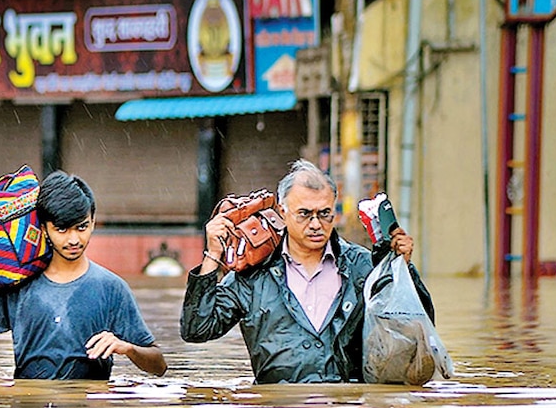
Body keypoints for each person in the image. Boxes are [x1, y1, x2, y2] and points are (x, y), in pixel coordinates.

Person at [180, 159, 434, 384]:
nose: (315, 224)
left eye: (324, 214)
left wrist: (403, 268)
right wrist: (213, 255)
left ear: (334, 211)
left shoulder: (363, 266)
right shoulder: (253, 275)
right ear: (283, 212)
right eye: (304, 214)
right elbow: (197, 330)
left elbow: (418, 327)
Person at [0, 170, 166, 380]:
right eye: (61, 229)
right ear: (43, 228)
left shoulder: (111, 288)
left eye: (81, 227)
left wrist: (126, 348)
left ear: (93, 222)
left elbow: (159, 366)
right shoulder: (19, 284)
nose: (73, 240)